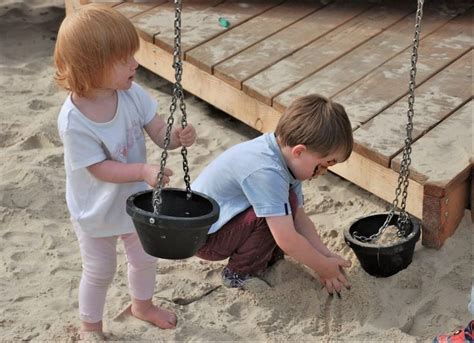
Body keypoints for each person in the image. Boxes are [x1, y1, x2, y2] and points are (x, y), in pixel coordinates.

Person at [54, 4, 196, 340]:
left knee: (145, 258)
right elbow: (98, 168)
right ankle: (90, 326)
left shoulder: (131, 93)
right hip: (96, 210)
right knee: (100, 270)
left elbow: (158, 131)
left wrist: (175, 139)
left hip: (135, 204)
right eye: (124, 59)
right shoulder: (75, 120)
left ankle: (142, 306)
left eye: (133, 55)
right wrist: (142, 169)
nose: (135, 64)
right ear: (91, 68)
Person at [192, 94, 353, 295]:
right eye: (322, 165)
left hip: (222, 224)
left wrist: (325, 255)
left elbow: (300, 220)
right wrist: (323, 268)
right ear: (299, 151)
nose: (322, 172)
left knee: (286, 205)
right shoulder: (267, 170)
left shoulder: (283, 157)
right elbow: (286, 238)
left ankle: (266, 258)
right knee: (273, 216)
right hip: (204, 238)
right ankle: (237, 273)